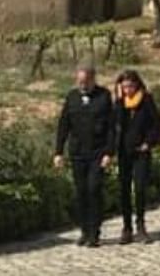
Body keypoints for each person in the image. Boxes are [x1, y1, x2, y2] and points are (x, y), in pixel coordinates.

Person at [54, 64, 114, 248]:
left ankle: (94, 232)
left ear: (93, 79)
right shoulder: (72, 97)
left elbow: (111, 127)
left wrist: (109, 153)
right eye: (79, 81)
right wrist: (58, 152)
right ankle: (84, 231)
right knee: (81, 192)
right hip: (78, 153)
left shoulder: (104, 96)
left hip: (98, 152)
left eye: (85, 81)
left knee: (93, 189)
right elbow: (64, 125)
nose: (82, 84)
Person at [114, 69, 160, 245]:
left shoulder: (146, 100)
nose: (128, 89)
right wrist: (120, 100)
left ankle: (141, 225)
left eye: (130, 86)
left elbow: (157, 124)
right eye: (124, 86)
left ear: (137, 84)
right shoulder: (120, 103)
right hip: (124, 152)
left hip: (141, 152)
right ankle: (126, 227)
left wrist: (148, 143)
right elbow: (116, 122)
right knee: (124, 190)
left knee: (140, 187)